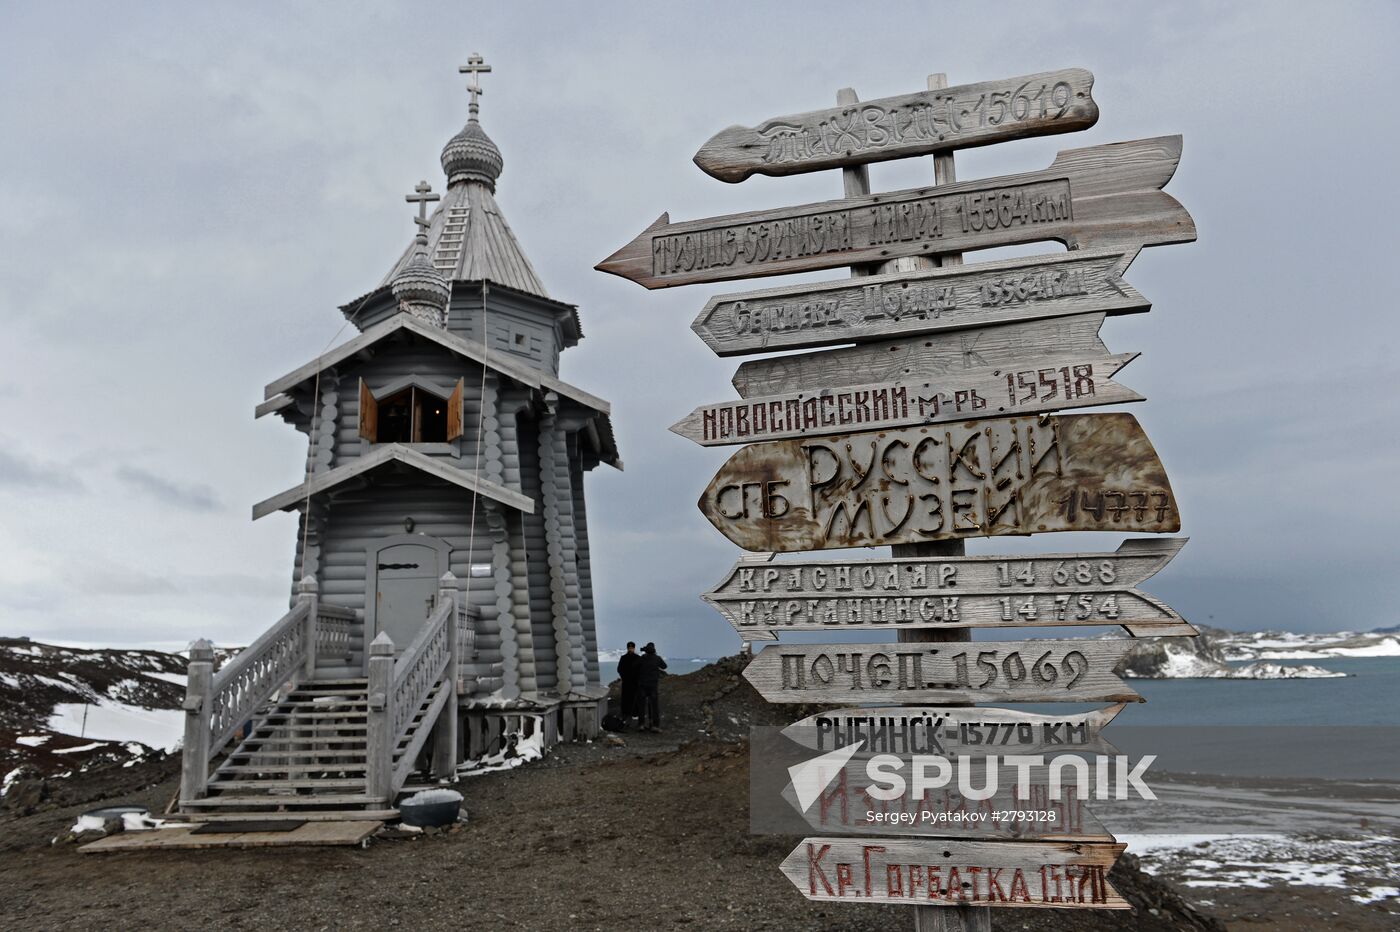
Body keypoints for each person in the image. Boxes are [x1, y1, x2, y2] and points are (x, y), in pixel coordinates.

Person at [637, 642, 668, 732]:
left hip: (642, 685)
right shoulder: (657, 658)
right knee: (654, 706)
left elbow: (635, 666)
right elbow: (664, 666)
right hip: (653, 685)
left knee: (642, 705)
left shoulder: (642, 658)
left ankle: (641, 724)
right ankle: (655, 725)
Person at [616, 641, 641, 725]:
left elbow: (640, 669)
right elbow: (619, 669)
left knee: (635, 698)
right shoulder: (623, 658)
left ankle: (634, 713)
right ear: (627, 648)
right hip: (627, 682)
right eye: (629, 648)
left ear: (634, 648)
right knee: (626, 698)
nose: (631, 649)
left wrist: (637, 678)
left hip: (634, 682)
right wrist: (624, 677)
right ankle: (625, 713)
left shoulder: (638, 658)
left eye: (632, 648)